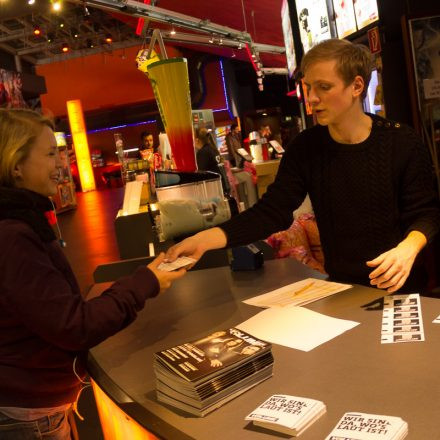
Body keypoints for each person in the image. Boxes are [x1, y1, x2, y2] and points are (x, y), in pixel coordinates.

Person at [166, 38, 440, 294]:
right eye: (308, 87)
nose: (312, 98)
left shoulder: (401, 141)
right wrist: (205, 239)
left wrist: (407, 248)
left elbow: (427, 213)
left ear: (356, 87)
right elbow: (273, 212)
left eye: (324, 87)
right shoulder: (306, 147)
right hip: (343, 289)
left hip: (403, 288)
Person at [0, 108, 186, 439]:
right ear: (16, 165)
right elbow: (74, 325)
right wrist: (146, 282)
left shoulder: (22, 222)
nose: (60, 164)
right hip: (30, 416)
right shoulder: (13, 235)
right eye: (49, 154)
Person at [195, 127, 229, 194]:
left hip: (215, 189)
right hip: (223, 185)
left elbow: (202, 174)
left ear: (197, 140)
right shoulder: (212, 149)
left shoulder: (202, 153)